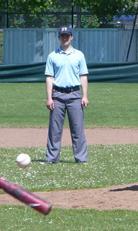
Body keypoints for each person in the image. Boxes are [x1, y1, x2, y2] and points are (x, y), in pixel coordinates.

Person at [45, 25, 89, 164]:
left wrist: (85, 95)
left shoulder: (79, 55)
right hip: (57, 94)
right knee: (55, 129)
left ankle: (81, 159)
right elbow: (49, 78)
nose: (65, 38)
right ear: (59, 37)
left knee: (77, 129)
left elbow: (83, 76)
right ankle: (52, 158)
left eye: (67, 35)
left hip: (74, 94)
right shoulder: (52, 56)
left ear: (71, 37)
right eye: (62, 36)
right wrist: (49, 98)